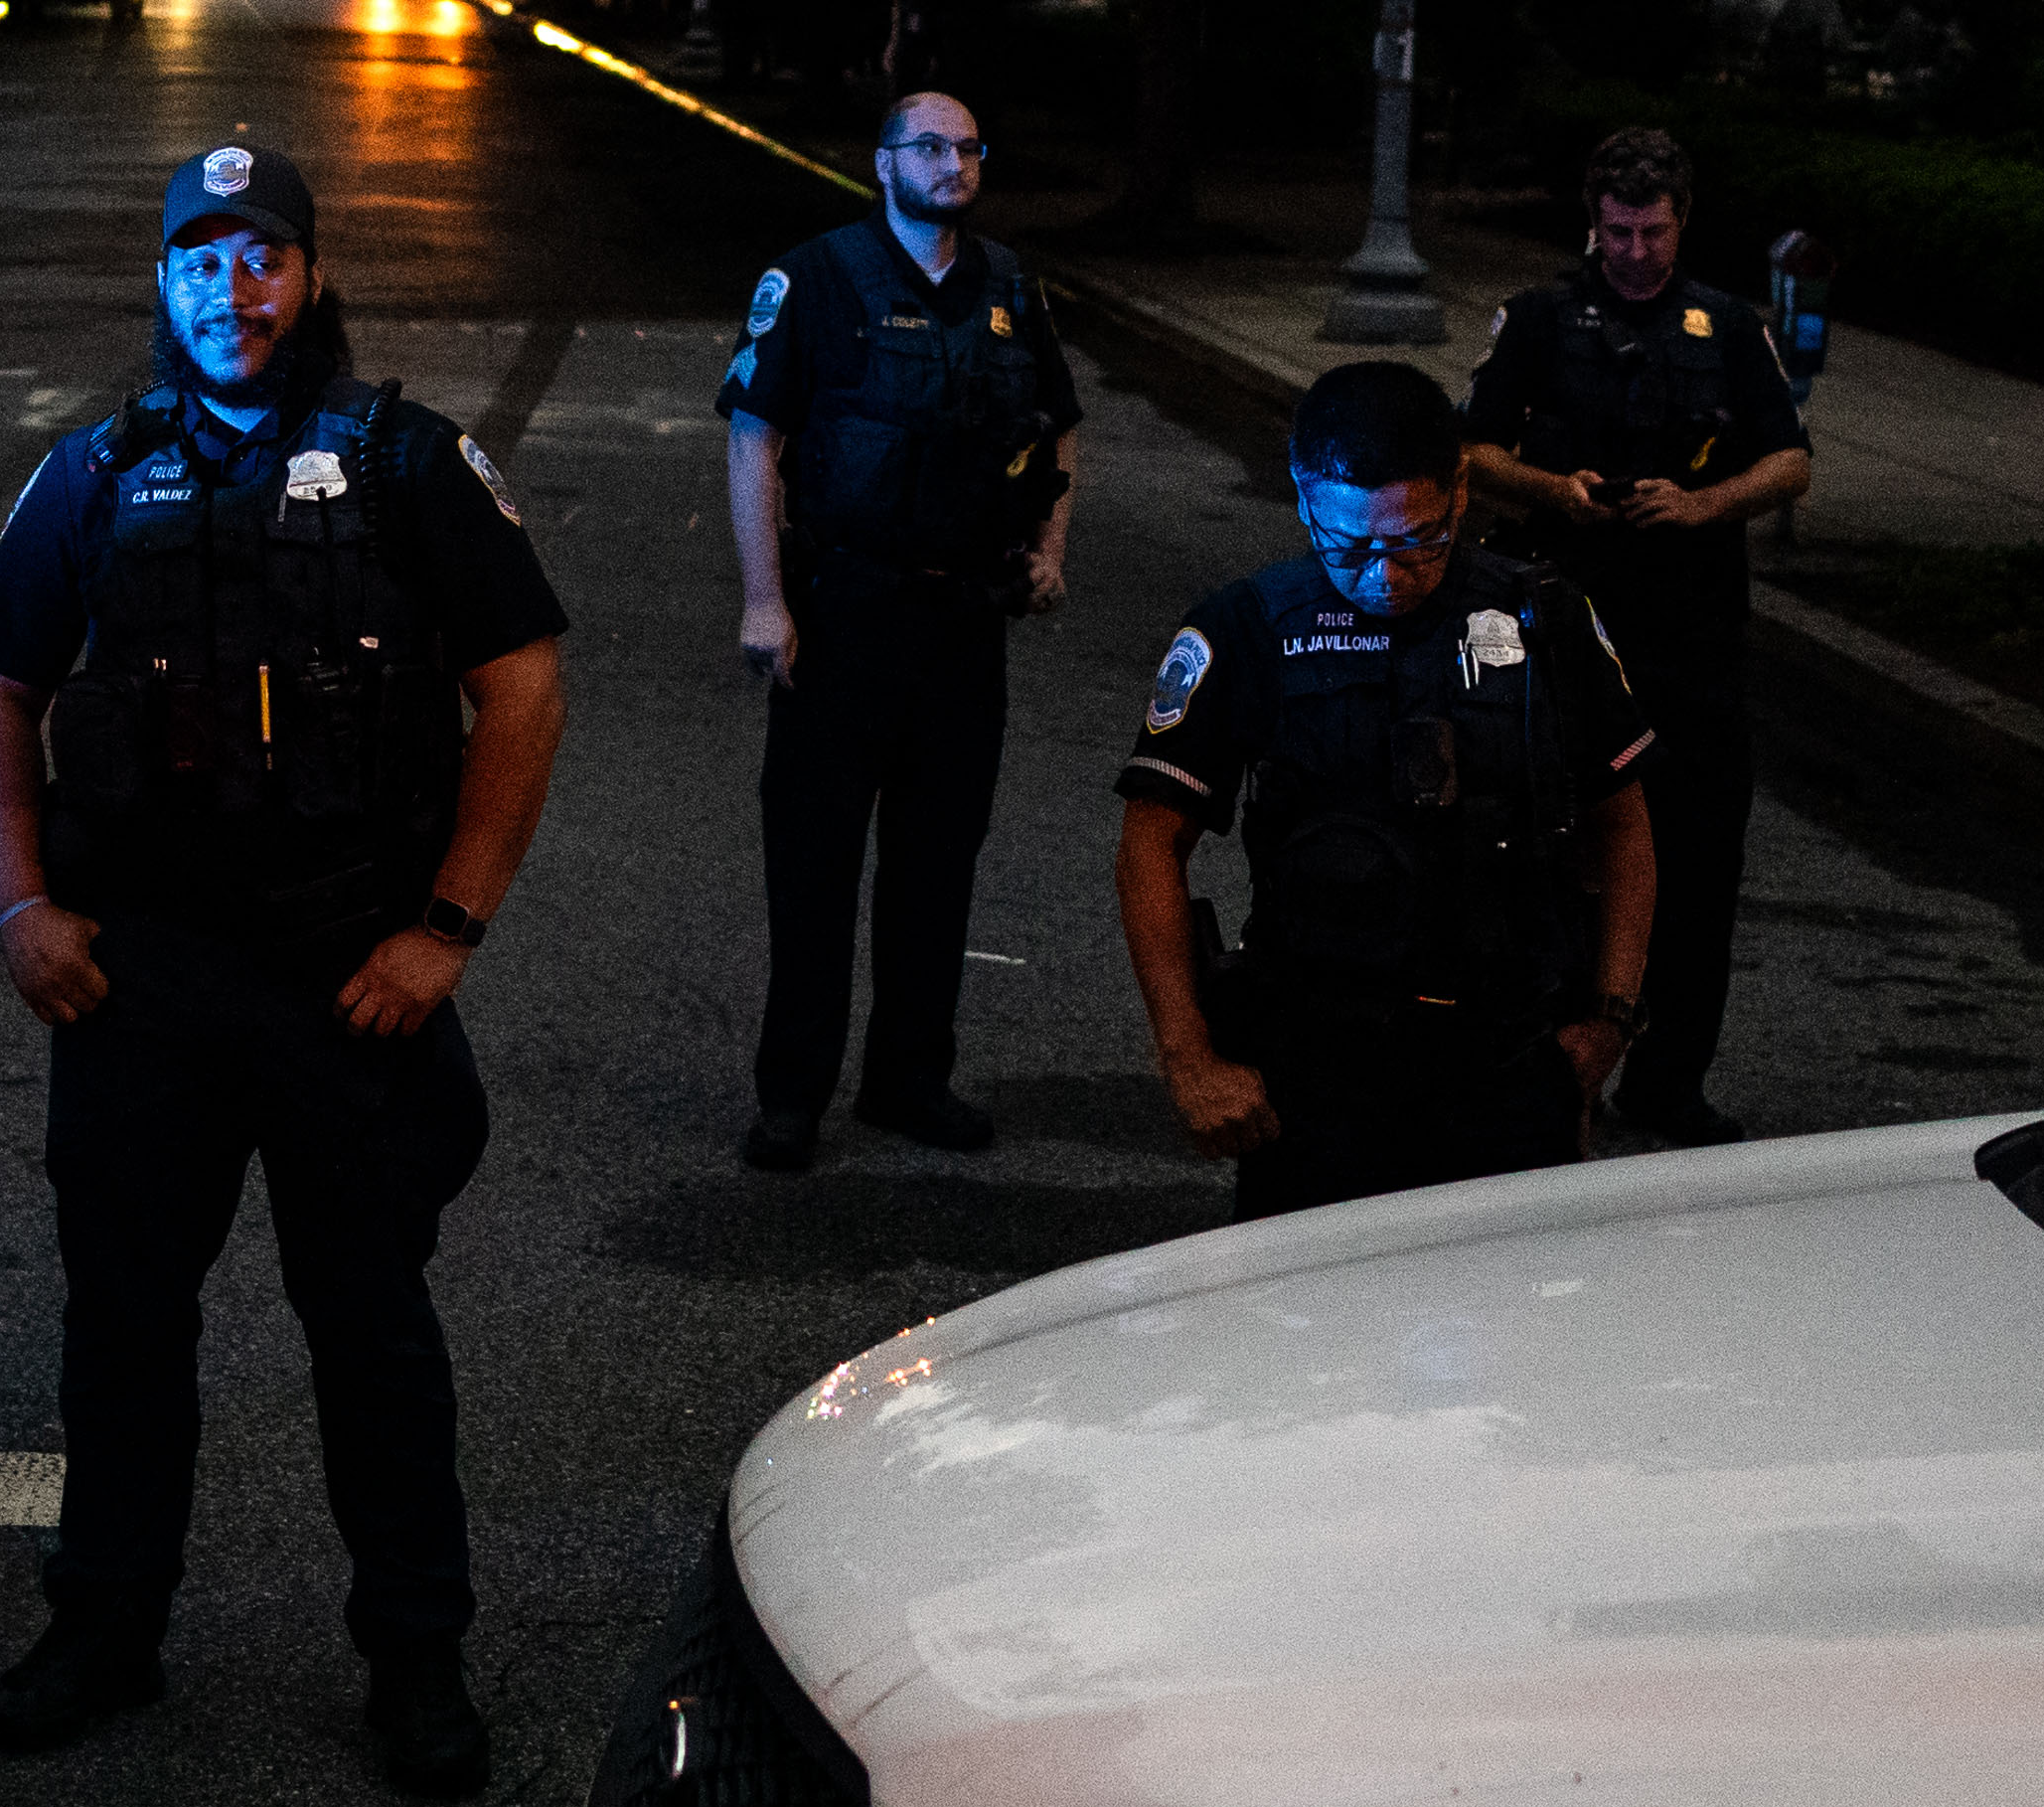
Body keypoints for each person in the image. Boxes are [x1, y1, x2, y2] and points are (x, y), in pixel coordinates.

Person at [0, 138, 570, 1798]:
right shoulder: (94, 470)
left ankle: (418, 1658)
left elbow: (521, 682)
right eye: (205, 257)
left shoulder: (407, 461)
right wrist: (22, 904)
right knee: (126, 1325)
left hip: (345, 977)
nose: (238, 288)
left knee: (372, 1330)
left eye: (267, 256)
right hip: (141, 981)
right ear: (163, 282)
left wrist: (445, 928)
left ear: (310, 277)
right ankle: (104, 1629)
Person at [1107, 362, 1658, 1222]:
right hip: (1317, 1064)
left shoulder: (1541, 615)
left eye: (1417, 541)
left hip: (1511, 1057)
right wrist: (1189, 1058)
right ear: (1300, 495)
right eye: (1350, 545)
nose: (1384, 576)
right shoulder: (1246, 626)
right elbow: (1152, 840)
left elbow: (1621, 824)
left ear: (1462, 488)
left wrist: (1612, 1021)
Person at [719, 86, 1081, 1170]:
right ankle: (794, 1094)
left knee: (938, 864)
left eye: (970, 147)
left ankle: (909, 1078)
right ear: (883, 163)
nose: (954, 163)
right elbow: (755, 437)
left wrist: (1052, 550)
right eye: (930, 146)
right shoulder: (819, 276)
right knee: (816, 863)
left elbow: (1059, 429)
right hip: (847, 611)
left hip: (965, 617)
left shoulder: (1012, 282)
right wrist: (765, 595)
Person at [1460, 124, 1811, 1142]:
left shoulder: (1728, 327)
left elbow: (1789, 462)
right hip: (1569, 631)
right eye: (1617, 231)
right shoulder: (1538, 320)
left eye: (1652, 232)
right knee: (1555, 861)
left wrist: (1703, 506)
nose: (1635, 252)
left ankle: (1671, 1083)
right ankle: (1555, 1061)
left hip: (1691, 642)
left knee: (1699, 872)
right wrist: (1554, 490)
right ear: (1592, 221)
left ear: (1682, 222)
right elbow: (1474, 450)